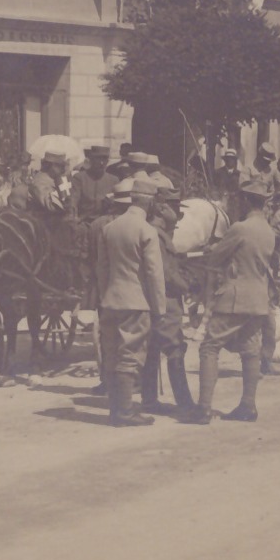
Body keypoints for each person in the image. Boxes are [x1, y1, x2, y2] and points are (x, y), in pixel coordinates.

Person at [182, 178, 276, 424]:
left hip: (235, 297)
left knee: (209, 347)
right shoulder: (269, 231)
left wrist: (212, 250)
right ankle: (248, 405)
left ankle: (203, 409)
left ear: (245, 200)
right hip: (258, 299)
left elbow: (215, 260)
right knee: (250, 351)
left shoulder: (240, 228)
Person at [92, 177, 166, 427]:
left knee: (112, 354)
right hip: (136, 302)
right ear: (150, 202)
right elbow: (154, 274)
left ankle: (116, 410)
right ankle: (125, 412)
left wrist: (105, 296)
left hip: (111, 300)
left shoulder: (110, 228)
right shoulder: (147, 231)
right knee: (129, 355)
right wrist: (159, 308)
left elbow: (101, 268)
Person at [143, 184, 198, 417]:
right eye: (174, 206)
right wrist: (188, 287)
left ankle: (148, 399)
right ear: (161, 208)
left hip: (153, 301)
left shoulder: (157, 233)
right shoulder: (157, 236)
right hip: (165, 300)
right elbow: (165, 272)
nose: (178, 213)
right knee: (175, 348)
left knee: (153, 348)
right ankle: (185, 405)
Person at [69, 144, 118, 219]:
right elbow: (73, 202)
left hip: (105, 224)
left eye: (104, 159)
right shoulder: (79, 178)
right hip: (84, 223)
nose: (101, 163)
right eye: (98, 159)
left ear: (108, 161)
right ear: (91, 160)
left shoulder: (114, 180)